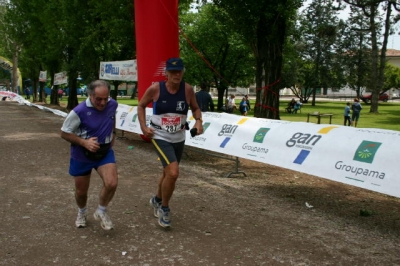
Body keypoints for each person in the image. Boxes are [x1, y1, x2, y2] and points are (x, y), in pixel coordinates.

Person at [138, 57, 203, 228]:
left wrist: (198, 121)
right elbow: (141, 105)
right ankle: (164, 208)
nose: (177, 74)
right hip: (160, 136)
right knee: (173, 173)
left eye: (179, 71)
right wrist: (144, 127)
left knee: (168, 173)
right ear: (166, 73)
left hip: (179, 137)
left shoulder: (187, 90)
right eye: (173, 71)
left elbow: (195, 108)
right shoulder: (155, 89)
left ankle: (157, 199)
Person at [60, 80, 118, 230]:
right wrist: (84, 142)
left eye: (106, 98)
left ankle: (102, 210)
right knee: (81, 192)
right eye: (99, 99)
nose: (103, 102)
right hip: (82, 154)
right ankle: (82, 211)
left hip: (104, 152)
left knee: (111, 183)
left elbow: (112, 117)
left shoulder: (112, 104)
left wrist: (114, 134)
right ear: (90, 95)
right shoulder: (79, 111)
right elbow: (64, 133)